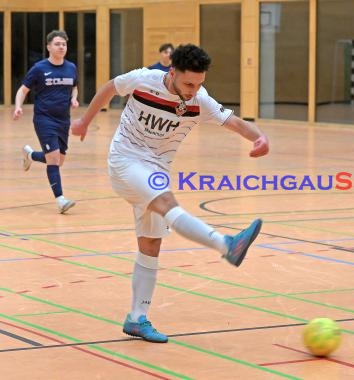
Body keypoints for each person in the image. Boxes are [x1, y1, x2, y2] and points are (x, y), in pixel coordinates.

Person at [71, 44, 269, 343]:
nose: (193, 90)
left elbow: (234, 122)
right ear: (172, 72)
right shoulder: (144, 79)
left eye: (199, 84)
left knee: (150, 244)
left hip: (157, 169)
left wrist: (260, 137)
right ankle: (227, 245)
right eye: (189, 83)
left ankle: (137, 318)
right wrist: (85, 121)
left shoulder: (199, 98)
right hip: (126, 160)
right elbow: (110, 88)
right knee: (167, 203)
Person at [13, 30, 79, 214]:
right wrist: (18, 106)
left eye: (64, 44)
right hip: (44, 119)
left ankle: (31, 155)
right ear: (49, 46)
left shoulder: (71, 68)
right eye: (57, 44)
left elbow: (74, 88)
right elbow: (23, 90)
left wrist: (74, 99)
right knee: (54, 158)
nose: (61, 47)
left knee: (59, 160)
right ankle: (60, 200)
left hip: (63, 120)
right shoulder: (39, 68)